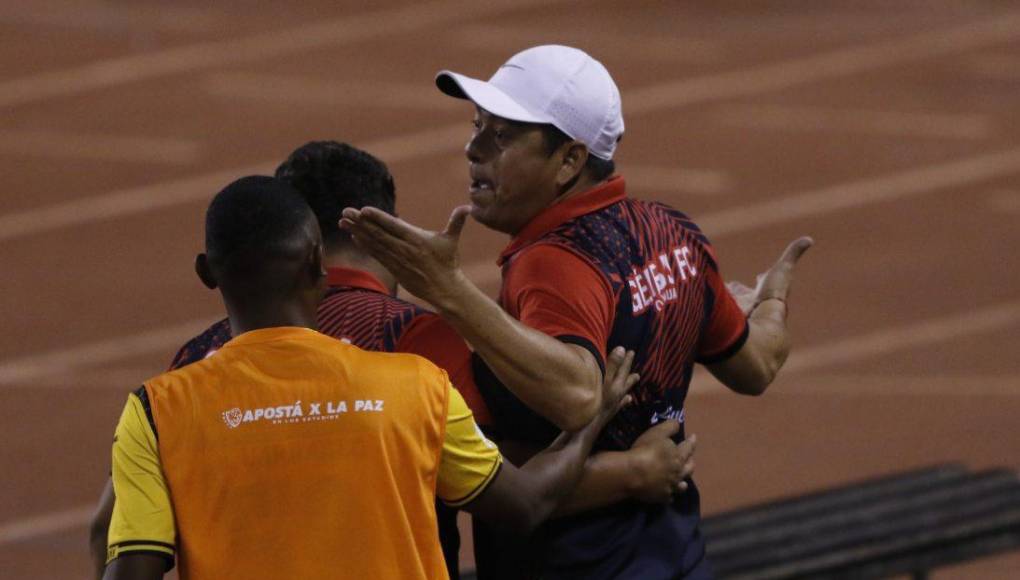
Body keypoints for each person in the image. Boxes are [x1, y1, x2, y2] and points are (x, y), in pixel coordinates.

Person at [90, 143, 697, 579]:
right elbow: (522, 497)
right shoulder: (418, 368)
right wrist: (621, 456)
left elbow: (111, 534)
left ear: (207, 273)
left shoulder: (166, 396)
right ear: (315, 265)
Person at [341, 44, 812, 579]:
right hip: (677, 558)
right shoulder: (673, 234)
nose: (472, 149)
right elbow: (756, 368)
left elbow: (576, 396)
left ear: (568, 161)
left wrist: (448, 290)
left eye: (502, 136)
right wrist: (771, 301)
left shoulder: (553, 261)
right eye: (477, 126)